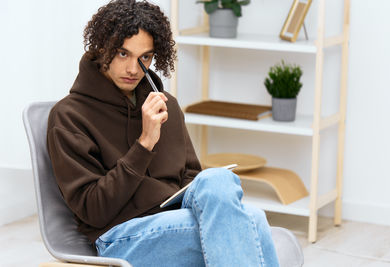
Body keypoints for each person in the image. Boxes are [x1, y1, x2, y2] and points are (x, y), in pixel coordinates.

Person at [47, 0, 279, 266]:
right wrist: (144, 143)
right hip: (119, 236)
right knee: (253, 223)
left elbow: (190, 177)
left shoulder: (165, 106)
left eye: (144, 57)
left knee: (218, 180)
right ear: (102, 47)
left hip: (175, 217)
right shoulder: (69, 116)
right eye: (123, 54)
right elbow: (93, 210)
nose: (134, 69)